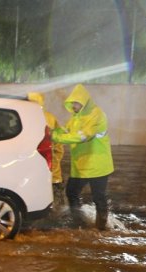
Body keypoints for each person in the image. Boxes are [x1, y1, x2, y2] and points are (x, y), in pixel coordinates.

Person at [51, 84, 114, 230]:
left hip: (97, 165)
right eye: (72, 103)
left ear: (84, 102)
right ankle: (79, 222)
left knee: (98, 197)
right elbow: (66, 131)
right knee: (71, 191)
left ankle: (101, 228)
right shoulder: (76, 117)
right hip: (81, 165)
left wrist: (55, 137)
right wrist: (53, 129)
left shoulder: (97, 114)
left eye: (76, 103)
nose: (73, 105)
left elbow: (83, 136)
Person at [27, 92, 65, 199]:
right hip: (50, 166)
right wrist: (56, 160)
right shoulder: (50, 117)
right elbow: (58, 143)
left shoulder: (23, 116)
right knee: (55, 199)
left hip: (31, 167)